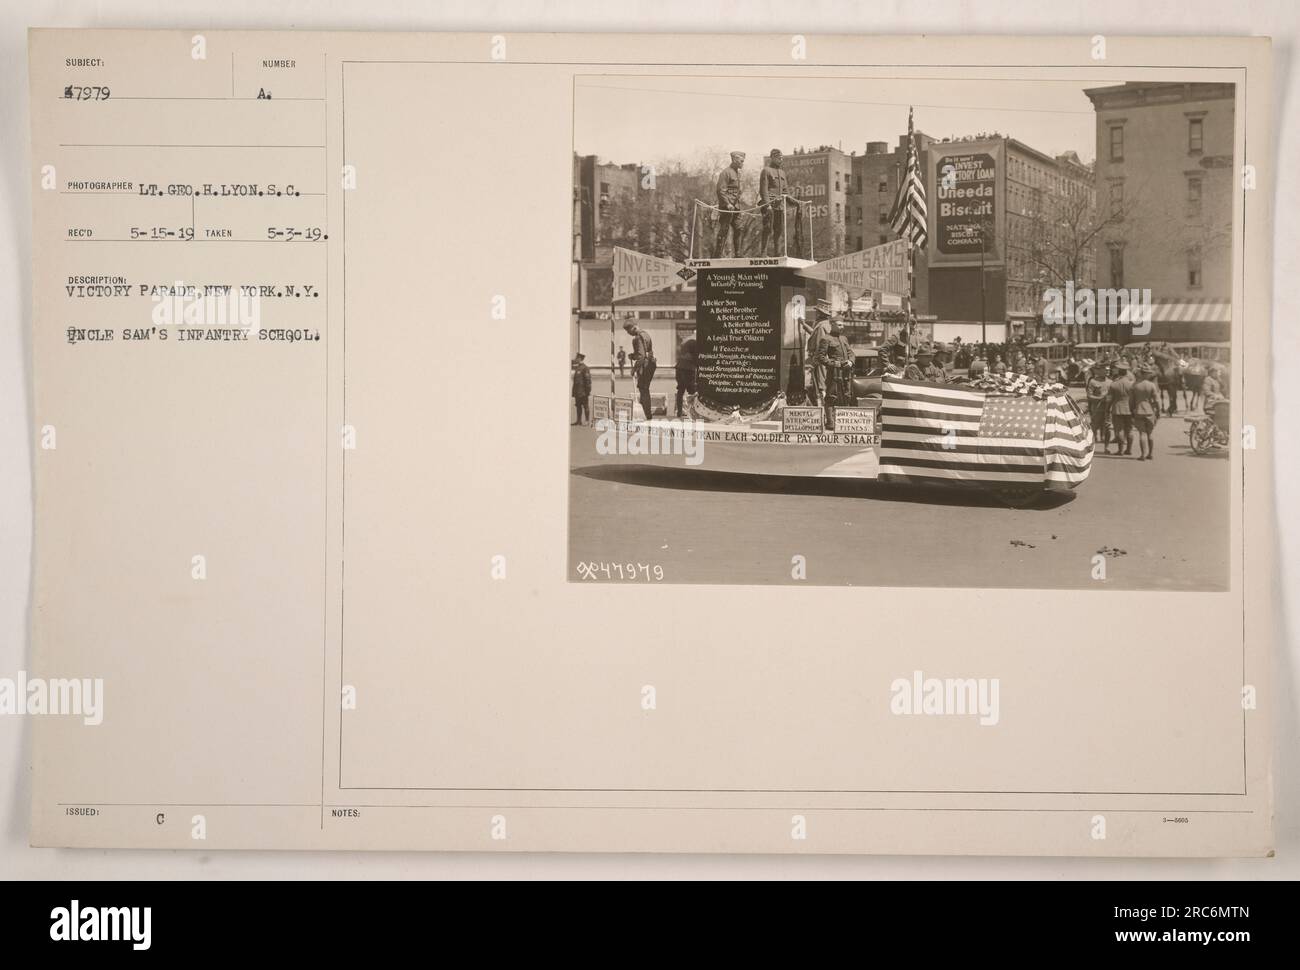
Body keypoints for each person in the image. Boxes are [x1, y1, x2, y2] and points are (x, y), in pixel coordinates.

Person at [759, 148, 803, 257]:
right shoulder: (766, 170)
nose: (781, 160)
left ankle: (777, 253)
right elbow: (763, 190)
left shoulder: (782, 173)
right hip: (769, 204)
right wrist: (767, 205)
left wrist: (796, 202)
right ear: (773, 158)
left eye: (781, 158)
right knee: (767, 228)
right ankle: (763, 253)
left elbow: (786, 193)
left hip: (779, 206)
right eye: (779, 158)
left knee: (778, 230)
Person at [713, 151, 746, 258]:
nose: (742, 163)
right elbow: (720, 190)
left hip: (736, 207)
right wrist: (727, 204)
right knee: (724, 230)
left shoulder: (738, 173)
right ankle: (717, 255)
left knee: (739, 228)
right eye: (741, 161)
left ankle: (738, 254)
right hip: (728, 207)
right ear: (734, 160)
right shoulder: (726, 173)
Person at [623, 320, 656, 419]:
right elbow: (644, 352)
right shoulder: (645, 334)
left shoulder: (638, 338)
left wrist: (634, 369)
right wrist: (633, 356)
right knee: (644, 389)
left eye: (628, 331)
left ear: (633, 327)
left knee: (644, 390)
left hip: (645, 366)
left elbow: (641, 356)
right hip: (650, 364)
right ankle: (645, 413)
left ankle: (647, 415)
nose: (628, 334)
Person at [1130, 365, 1161, 460]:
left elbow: (1131, 401)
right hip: (1150, 411)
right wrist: (1158, 411)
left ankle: (1143, 454)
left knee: (1142, 433)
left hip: (1139, 411)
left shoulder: (1135, 385)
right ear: (1147, 374)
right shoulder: (1151, 385)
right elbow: (1156, 400)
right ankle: (1150, 454)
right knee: (1150, 433)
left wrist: (1132, 410)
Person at [1106, 361, 1136, 455]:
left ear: (1119, 371)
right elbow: (1134, 398)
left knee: (1119, 430)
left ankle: (1120, 450)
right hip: (1129, 409)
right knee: (1129, 429)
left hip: (1117, 408)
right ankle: (1129, 449)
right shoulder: (1131, 384)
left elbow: (1109, 399)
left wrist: (1107, 409)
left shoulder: (1114, 384)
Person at [1085, 363, 1112, 451]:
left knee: (1107, 428)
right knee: (1094, 428)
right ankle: (1091, 446)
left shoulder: (1111, 382)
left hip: (1107, 410)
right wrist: (1100, 398)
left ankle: (1107, 447)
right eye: (1105, 370)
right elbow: (1089, 396)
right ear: (1099, 371)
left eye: (1108, 370)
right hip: (1097, 409)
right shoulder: (1093, 382)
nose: (1107, 371)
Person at [674, 337, 698, 417]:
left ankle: (679, 412)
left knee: (680, 390)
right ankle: (693, 413)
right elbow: (696, 359)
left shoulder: (686, 342)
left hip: (679, 367)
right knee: (692, 391)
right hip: (689, 369)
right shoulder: (695, 344)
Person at [571, 353, 591, 426]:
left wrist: (588, 391)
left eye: (577, 358)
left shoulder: (585, 368)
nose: (576, 359)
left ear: (580, 358)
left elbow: (588, 381)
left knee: (585, 406)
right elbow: (576, 381)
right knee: (578, 406)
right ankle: (578, 421)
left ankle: (587, 421)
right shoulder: (578, 368)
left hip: (583, 391)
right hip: (577, 391)